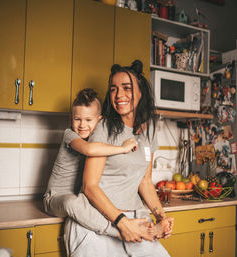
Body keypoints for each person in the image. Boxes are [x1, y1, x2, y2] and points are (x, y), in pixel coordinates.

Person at [65, 60, 177, 257]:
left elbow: (144, 182)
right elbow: (89, 186)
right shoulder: (104, 128)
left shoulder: (148, 132)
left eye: (127, 88)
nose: (119, 95)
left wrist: (160, 215)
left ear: (141, 92)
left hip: (136, 224)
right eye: (114, 89)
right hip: (97, 226)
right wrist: (121, 222)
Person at [43, 88, 154, 238]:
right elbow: (89, 149)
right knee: (72, 202)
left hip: (81, 198)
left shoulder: (100, 138)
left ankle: (137, 227)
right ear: (71, 119)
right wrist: (122, 148)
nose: (82, 125)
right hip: (55, 198)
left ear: (99, 120)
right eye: (77, 119)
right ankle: (118, 232)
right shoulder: (70, 134)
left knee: (97, 204)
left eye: (88, 120)